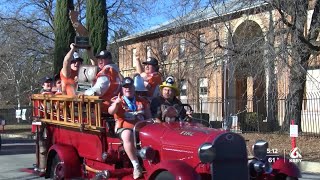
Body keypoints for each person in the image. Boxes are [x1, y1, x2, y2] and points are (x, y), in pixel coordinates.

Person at [108, 77, 151, 179]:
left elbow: (149, 117)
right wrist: (116, 104)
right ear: (122, 89)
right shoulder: (118, 100)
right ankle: (136, 165)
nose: (128, 89)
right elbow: (111, 111)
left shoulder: (142, 101)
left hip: (140, 127)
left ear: (133, 87)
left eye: (130, 87)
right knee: (128, 135)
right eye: (125, 87)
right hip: (123, 127)